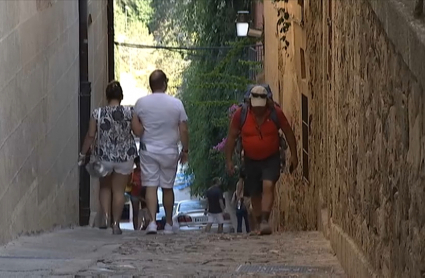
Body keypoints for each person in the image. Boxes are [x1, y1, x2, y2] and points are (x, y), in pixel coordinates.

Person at [225, 85, 298, 235]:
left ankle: (265, 220)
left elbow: (288, 133)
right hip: (251, 160)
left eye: (261, 107)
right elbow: (231, 137)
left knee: (268, 185)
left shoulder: (275, 113)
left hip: (271, 157)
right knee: (255, 193)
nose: (258, 110)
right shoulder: (241, 115)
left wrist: (295, 155)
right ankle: (259, 224)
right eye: (255, 106)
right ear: (249, 102)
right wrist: (229, 160)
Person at [79, 81, 143, 235]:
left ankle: (107, 219)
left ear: (107, 96)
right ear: (121, 96)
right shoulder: (130, 112)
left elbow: (90, 135)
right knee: (119, 191)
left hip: (104, 156)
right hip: (124, 156)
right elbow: (138, 132)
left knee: (105, 187)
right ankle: (116, 224)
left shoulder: (97, 113)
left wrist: (83, 154)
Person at [134, 70, 189, 235]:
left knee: (150, 186)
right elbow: (184, 129)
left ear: (150, 85)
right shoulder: (176, 104)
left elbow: (137, 131)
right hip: (170, 150)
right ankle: (169, 224)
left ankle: (152, 223)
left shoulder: (141, 103)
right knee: (168, 187)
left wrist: (144, 129)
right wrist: (185, 150)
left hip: (148, 150)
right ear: (165, 84)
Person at [130, 156, 142, 230]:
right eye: (137, 164)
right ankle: (136, 228)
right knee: (135, 212)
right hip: (134, 193)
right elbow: (128, 182)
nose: (138, 165)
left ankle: (146, 225)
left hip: (144, 193)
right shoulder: (132, 172)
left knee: (146, 211)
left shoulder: (145, 171)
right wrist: (132, 183)